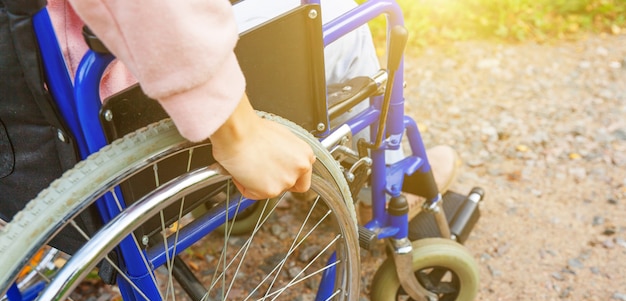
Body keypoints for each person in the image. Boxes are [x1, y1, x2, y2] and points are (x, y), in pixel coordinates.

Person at [57, 0, 459, 212]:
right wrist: (238, 132)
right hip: (124, 92)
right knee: (345, 15)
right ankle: (380, 184)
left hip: (54, 123)